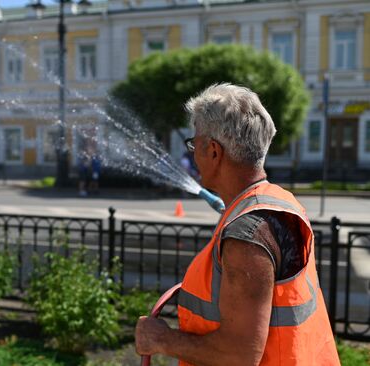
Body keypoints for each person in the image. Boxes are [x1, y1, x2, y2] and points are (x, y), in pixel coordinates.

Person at [135, 84, 340, 365]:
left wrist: (160, 339)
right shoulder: (278, 202)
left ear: (214, 151)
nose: (194, 154)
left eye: (195, 144)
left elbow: (239, 356)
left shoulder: (248, 235)